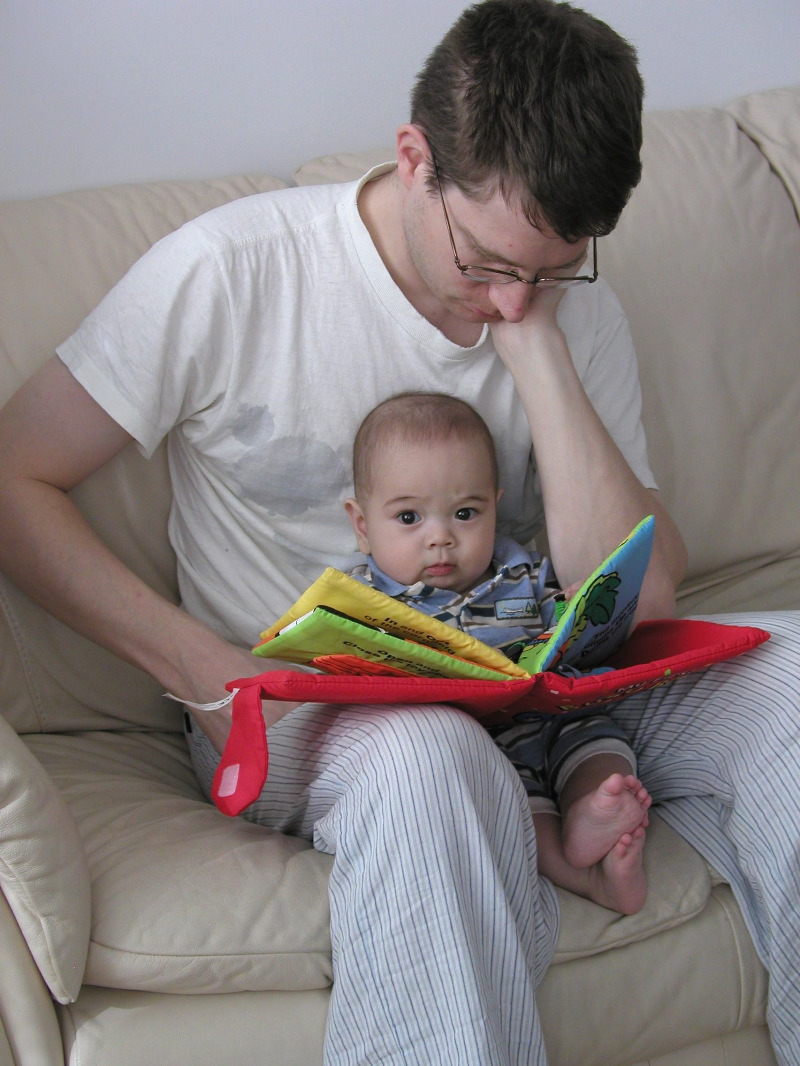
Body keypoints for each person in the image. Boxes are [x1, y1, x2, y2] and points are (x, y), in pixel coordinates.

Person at [0, 0, 798, 1063]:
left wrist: (539, 360)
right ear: (414, 157)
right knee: (431, 759)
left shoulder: (555, 309)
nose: (511, 298)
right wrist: (197, 663)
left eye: (551, 269)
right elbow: (14, 475)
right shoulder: (232, 272)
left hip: (539, 686)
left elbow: (636, 603)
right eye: (484, 262)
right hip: (310, 709)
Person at [345, 391, 652, 915]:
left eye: (465, 513)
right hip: (483, 751)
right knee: (520, 815)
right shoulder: (364, 604)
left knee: (603, 750)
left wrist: (577, 607)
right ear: (362, 525)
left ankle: (593, 809)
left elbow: (565, 622)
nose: (441, 538)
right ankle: (588, 874)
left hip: (556, 715)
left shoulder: (522, 572)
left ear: (496, 506)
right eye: (409, 518)